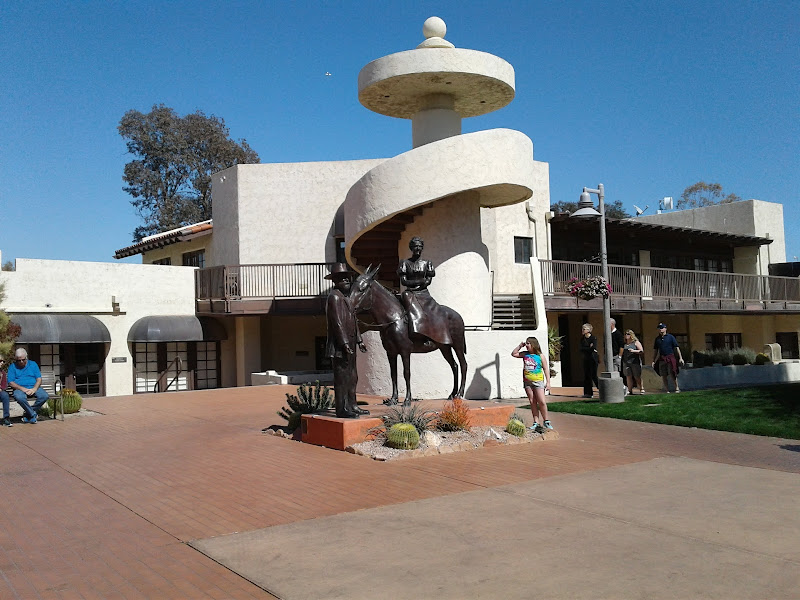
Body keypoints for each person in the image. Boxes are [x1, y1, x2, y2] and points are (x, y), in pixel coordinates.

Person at [325, 263, 368, 418]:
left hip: (350, 343)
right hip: (339, 346)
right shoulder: (334, 297)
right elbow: (337, 323)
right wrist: (344, 343)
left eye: (348, 278)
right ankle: (342, 409)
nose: (347, 281)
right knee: (342, 378)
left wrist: (359, 340)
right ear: (335, 281)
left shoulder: (347, 298)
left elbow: (353, 320)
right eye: (343, 279)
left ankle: (352, 405)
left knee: (352, 376)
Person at [397, 236, 451, 346]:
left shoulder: (427, 263)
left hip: (424, 293)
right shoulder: (405, 263)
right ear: (411, 248)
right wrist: (420, 281)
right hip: (410, 293)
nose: (417, 249)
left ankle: (432, 335)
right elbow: (404, 281)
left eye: (420, 247)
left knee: (432, 311)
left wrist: (421, 282)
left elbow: (428, 282)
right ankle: (413, 334)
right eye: (415, 246)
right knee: (411, 312)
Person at [511, 337, 553, 431]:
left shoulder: (540, 356)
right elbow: (514, 354)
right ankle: (536, 422)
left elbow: (546, 369)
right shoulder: (525, 354)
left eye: (528, 343)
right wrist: (520, 346)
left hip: (538, 381)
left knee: (541, 401)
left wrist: (548, 382)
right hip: (527, 382)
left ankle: (546, 421)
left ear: (533, 344)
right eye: (526, 343)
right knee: (532, 401)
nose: (526, 345)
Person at [7, 348, 50, 423]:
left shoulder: (33, 364)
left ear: (26, 357)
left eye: (23, 360)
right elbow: (11, 382)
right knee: (19, 397)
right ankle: (32, 414)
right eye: (18, 360)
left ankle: (28, 414)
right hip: (19, 389)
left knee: (44, 396)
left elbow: (39, 379)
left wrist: (34, 389)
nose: (21, 362)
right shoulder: (12, 367)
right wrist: (23, 389)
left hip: (33, 386)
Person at [652, 323, 684, 393]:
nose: (660, 329)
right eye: (659, 328)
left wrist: (680, 358)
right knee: (664, 375)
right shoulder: (657, 339)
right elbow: (655, 350)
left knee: (672, 373)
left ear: (665, 328)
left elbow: (676, 347)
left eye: (662, 328)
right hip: (662, 358)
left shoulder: (670, 337)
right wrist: (653, 360)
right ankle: (667, 390)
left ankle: (677, 388)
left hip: (670, 357)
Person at [579, 323, 599, 398]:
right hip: (586, 358)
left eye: (584, 329)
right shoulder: (582, 339)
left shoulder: (593, 338)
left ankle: (601, 388)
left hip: (593, 358)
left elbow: (593, 348)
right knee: (587, 375)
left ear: (588, 330)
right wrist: (588, 348)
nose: (582, 330)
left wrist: (588, 348)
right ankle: (588, 393)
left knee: (593, 375)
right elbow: (581, 349)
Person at [622, 330, 645, 395]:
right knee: (628, 376)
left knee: (637, 376)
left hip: (635, 362)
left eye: (628, 334)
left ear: (631, 335)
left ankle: (641, 388)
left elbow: (641, 351)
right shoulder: (625, 344)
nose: (626, 335)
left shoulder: (635, 342)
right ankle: (629, 390)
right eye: (625, 334)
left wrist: (634, 351)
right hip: (627, 362)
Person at [610, 318, 625, 392]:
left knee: (616, 373)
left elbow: (621, 345)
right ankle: (614, 389)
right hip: (609, 357)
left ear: (612, 324)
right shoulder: (608, 334)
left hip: (616, 356)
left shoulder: (618, 334)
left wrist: (619, 356)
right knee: (610, 374)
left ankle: (622, 388)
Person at [1, 358, 12, 427]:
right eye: (0, 361)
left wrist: (1, 388)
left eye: (2, 361)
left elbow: (4, 385)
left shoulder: (3, 373)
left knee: (5, 395)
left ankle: (6, 418)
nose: (2, 363)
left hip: (0, 391)